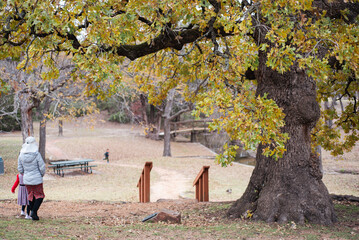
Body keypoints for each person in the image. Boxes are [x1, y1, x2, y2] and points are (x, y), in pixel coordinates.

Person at [18, 136, 46, 221]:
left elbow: (20, 169)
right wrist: (41, 174)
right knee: (40, 195)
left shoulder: (21, 155)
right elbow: (42, 167)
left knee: (31, 195)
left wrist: (25, 174)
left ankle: (34, 214)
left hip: (27, 179)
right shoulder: (36, 154)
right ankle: (34, 211)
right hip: (37, 178)